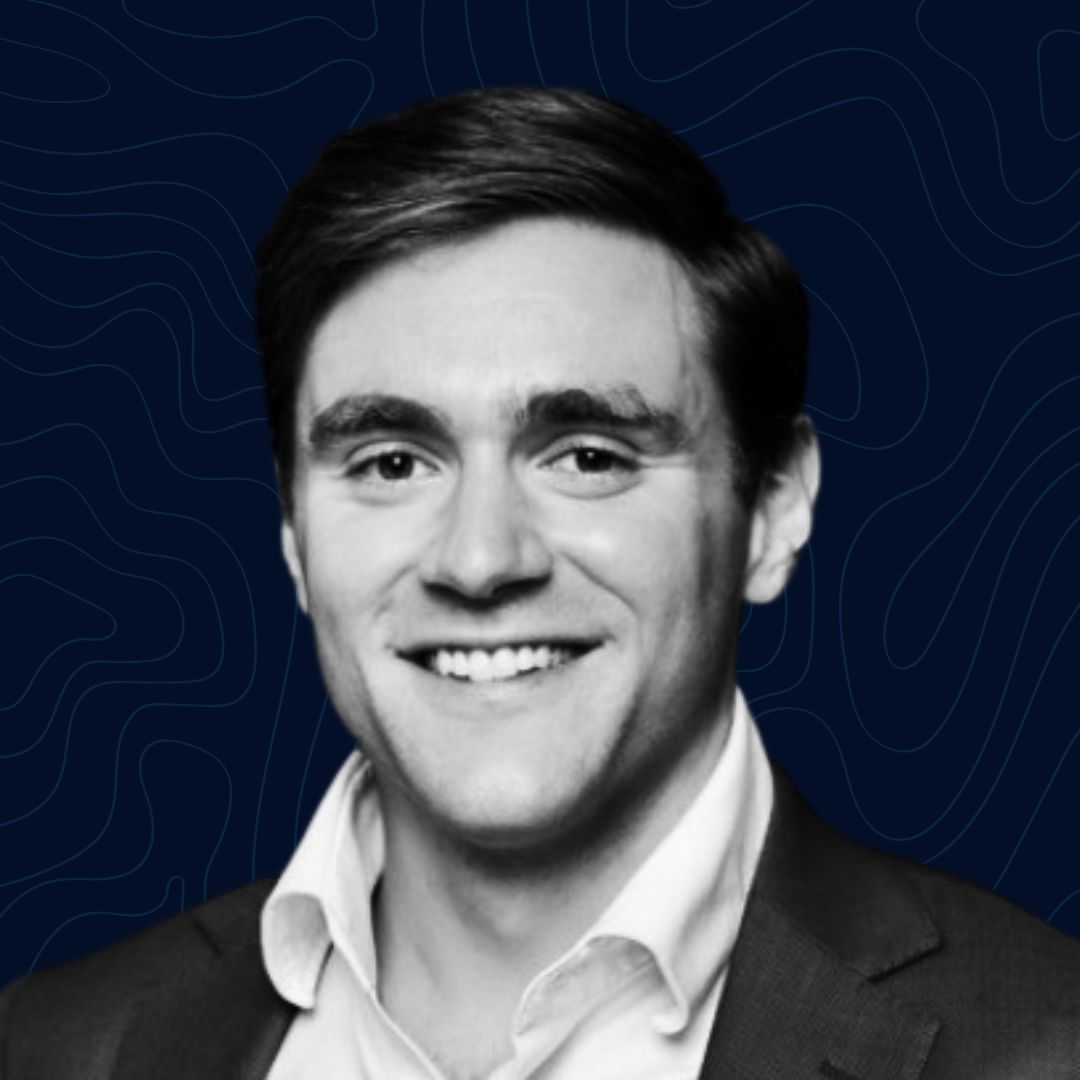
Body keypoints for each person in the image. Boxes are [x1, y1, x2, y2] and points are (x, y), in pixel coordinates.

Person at [1, 86, 1077, 1079]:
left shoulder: (1046, 1043)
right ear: (293, 530)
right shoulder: (56, 1046)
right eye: (392, 463)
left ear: (772, 506)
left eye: (589, 457)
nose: (480, 560)